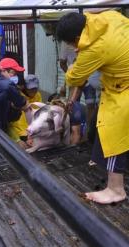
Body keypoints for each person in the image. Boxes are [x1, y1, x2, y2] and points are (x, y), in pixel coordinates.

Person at [56, 11, 129, 204]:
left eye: (71, 44)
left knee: (113, 134)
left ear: (77, 38)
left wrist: (73, 66)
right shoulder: (110, 16)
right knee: (99, 122)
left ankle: (115, 189)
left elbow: (75, 78)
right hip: (118, 84)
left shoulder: (94, 50)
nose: (73, 48)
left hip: (123, 90)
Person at [7, 74, 42, 148]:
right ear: (25, 87)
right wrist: (18, 139)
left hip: (33, 131)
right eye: (31, 88)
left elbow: (39, 113)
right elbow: (11, 123)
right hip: (20, 133)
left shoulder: (38, 95)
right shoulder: (19, 97)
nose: (33, 91)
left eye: (35, 88)